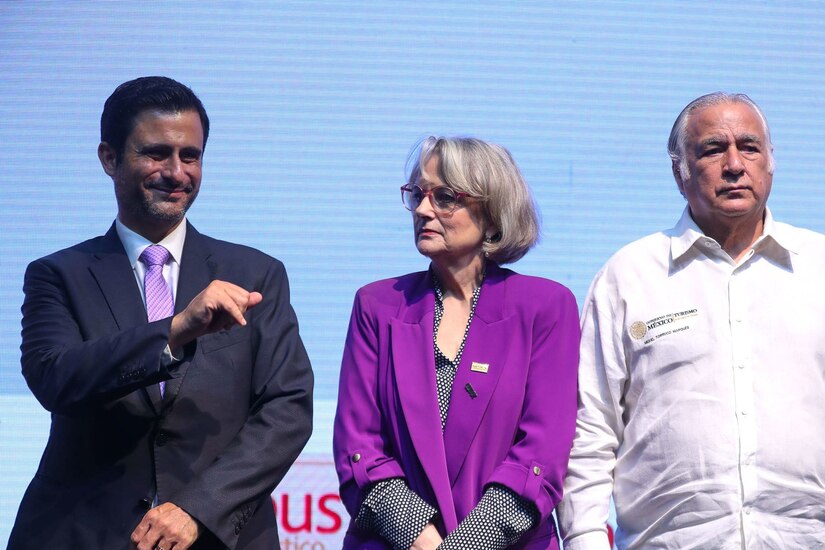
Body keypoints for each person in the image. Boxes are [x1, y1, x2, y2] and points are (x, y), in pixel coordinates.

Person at [558, 92, 825, 549]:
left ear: (771, 163)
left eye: (750, 147)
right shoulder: (628, 276)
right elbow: (590, 432)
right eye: (713, 149)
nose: (735, 164)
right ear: (679, 172)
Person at [9, 76, 314, 550]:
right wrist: (173, 332)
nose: (176, 172)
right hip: (82, 533)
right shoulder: (57, 274)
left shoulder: (256, 273)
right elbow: (55, 378)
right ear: (108, 158)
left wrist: (199, 508)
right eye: (156, 153)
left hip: (216, 534)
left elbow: (286, 409)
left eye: (190, 156)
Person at [333, 136, 580, 549]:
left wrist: (467, 544)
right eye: (418, 195)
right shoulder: (377, 306)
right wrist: (422, 539)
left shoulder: (546, 307)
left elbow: (541, 452)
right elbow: (359, 446)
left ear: (492, 211)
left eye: (445, 197)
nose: (424, 210)